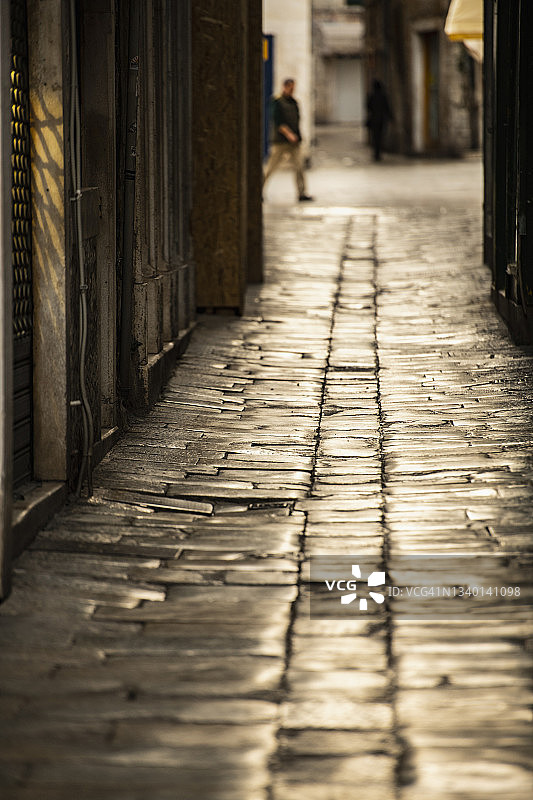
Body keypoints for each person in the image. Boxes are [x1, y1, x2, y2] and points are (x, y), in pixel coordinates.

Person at [263, 78, 313, 202]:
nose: (292, 90)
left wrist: (297, 136)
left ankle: (301, 193)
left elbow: (296, 121)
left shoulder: (294, 102)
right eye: (290, 87)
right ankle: (258, 190)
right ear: (285, 87)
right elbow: (278, 121)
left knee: (299, 167)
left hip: (294, 142)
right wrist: (289, 134)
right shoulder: (277, 101)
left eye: (293, 88)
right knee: (270, 167)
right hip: (280, 141)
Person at [366, 79, 393, 162]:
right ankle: (378, 153)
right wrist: (390, 117)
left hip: (374, 120)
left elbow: (368, 107)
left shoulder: (372, 96)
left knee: (375, 137)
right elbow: (387, 108)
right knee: (380, 137)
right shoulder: (383, 96)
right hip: (381, 120)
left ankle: (376, 153)